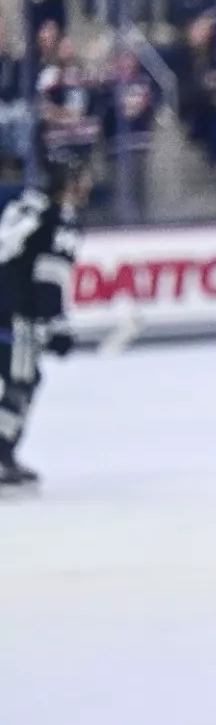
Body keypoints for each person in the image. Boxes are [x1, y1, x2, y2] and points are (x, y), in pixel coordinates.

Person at [0, 151, 88, 492]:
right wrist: (56, 324)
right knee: (23, 381)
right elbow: (48, 276)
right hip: (13, 313)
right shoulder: (60, 218)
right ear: (69, 183)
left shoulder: (22, 204)